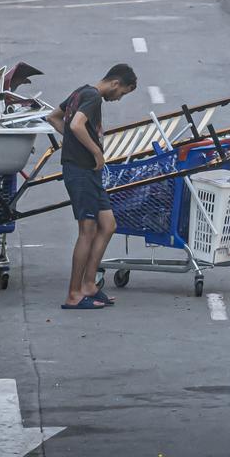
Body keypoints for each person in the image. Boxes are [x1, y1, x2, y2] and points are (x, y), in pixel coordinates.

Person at [46, 63, 137, 310]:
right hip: (81, 171)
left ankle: (89, 285)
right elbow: (76, 124)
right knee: (87, 230)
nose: (119, 99)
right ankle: (74, 294)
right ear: (115, 83)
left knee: (108, 225)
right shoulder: (93, 97)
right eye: (123, 93)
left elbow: (53, 116)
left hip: (89, 173)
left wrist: (74, 143)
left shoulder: (81, 92)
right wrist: (95, 150)